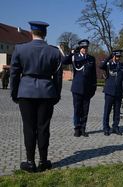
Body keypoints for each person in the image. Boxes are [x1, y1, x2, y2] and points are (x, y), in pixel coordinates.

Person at [10, 21, 63, 172]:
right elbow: (58, 78)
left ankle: (30, 162)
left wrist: (14, 93)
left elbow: (14, 74)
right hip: (46, 94)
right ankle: (43, 161)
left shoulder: (20, 49)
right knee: (43, 128)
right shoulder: (54, 52)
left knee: (29, 127)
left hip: (25, 93)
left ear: (31, 32)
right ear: (45, 33)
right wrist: (56, 95)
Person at [62, 39, 97, 137]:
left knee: (85, 110)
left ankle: (83, 128)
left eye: (86, 47)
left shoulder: (91, 58)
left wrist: (94, 87)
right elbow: (64, 61)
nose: (85, 49)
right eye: (83, 47)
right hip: (77, 88)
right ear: (80, 48)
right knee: (77, 109)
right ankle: (77, 128)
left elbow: (93, 74)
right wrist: (71, 53)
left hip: (87, 88)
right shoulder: (74, 57)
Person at [100, 50, 123, 136]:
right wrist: (109, 57)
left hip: (118, 92)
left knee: (117, 111)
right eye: (116, 57)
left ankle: (115, 127)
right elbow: (101, 66)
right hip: (109, 91)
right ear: (113, 56)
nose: (118, 58)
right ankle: (106, 127)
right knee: (107, 111)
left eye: (119, 57)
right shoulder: (108, 65)